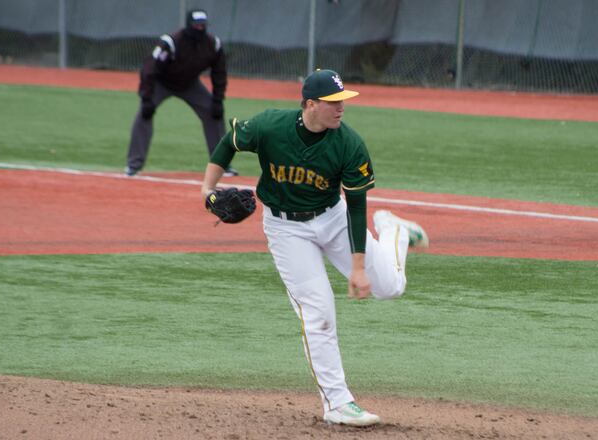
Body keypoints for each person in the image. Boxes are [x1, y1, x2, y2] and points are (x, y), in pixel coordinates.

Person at [200, 69, 429, 427]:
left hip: (334, 218)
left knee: (389, 287)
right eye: (333, 102)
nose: (341, 108)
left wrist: (358, 267)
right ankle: (337, 403)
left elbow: (356, 208)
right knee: (318, 310)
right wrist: (207, 189)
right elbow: (229, 142)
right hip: (286, 229)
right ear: (310, 104)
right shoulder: (270, 126)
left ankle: (394, 232)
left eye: (343, 101)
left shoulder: (349, 144)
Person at [125, 9, 237, 177]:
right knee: (144, 114)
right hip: (162, 82)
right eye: (197, 25)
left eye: (203, 25)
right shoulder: (171, 42)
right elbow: (149, 68)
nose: (200, 28)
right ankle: (134, 165)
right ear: (189, 25)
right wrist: (146, 97)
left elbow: (219, 72)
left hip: (190, 84)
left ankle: (222, 165)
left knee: (213, 112)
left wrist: (218, 99)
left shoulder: (213, 44)